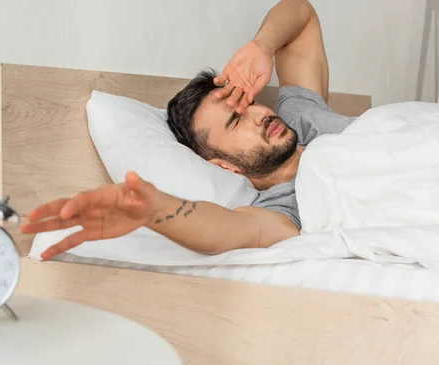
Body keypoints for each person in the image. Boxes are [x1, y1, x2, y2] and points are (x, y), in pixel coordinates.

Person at [20, 0, 358, 260]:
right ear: (225, 166)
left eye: (248, 102)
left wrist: (262, 47)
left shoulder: (300, 116)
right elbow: (235, 229)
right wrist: (155, 209)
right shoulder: (284, 206)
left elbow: (301, 14)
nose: (259, 114)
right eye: (236, 120)